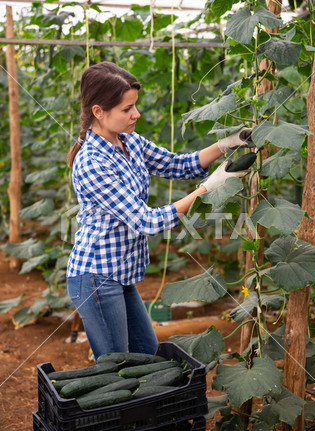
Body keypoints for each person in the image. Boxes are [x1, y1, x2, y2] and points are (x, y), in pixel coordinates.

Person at [66, 61, 253, 362]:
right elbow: (145, 221)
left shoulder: (129, 142)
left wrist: (227, 144)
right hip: (97, 278)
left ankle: (144, 410)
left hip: (120, 275)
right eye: (127, 109)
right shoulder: (91, 163)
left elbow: (179, 165)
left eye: (134, 106)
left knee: (148, 357)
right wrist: (208, 188)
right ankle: (121, 410)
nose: (136, 114)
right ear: (99, 111)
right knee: (119, 369)